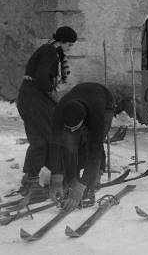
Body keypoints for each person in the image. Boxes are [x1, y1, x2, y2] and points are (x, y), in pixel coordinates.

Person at [16, 26, 77, 204]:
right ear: (63, 41)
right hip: (35, 99)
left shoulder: (48, 50)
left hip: (28, 97)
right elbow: (43, 77)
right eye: (70, 45)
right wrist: (53, 93)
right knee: (52, 135)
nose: (69, 48)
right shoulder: (50, 52)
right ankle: (51, 178)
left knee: (39, 140)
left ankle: (30, 179)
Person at [48, 82, 114, 211]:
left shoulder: (96, 116)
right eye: (69, 128)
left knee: (93, 143)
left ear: (83, 121)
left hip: (104, 102)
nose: (72, 131)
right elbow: (55, 145)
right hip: (81, 97)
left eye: (75, 128)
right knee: (69, 144)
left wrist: (81, 187)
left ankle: (90, 186)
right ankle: (72, 179)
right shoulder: (58, 112)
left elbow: (94, 152)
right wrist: (56, 178)